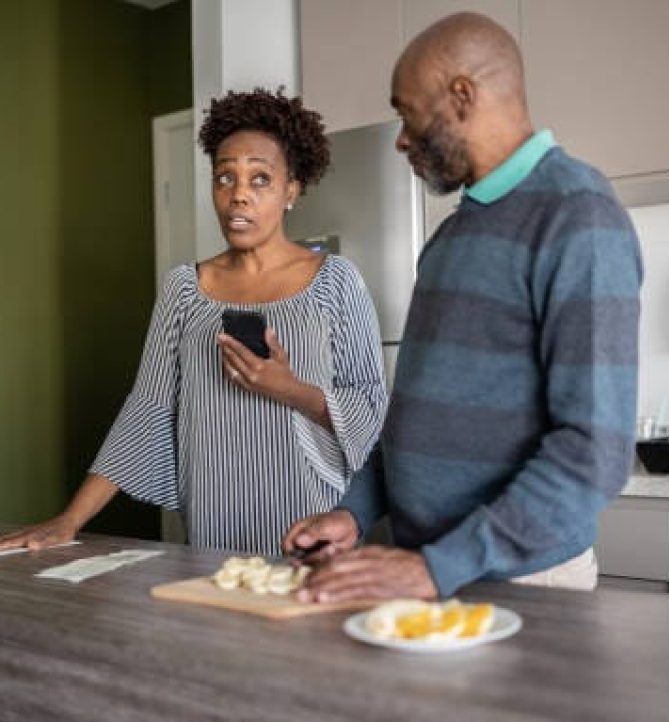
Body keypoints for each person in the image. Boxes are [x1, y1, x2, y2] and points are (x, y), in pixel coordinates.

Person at [284, 12, 642, 601]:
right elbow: (413, 419)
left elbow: (593, 453)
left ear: (462, 96)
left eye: (406, 113)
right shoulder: (451, 238)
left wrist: (434, 568)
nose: (400, 138)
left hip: (523, 578)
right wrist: (353, 513)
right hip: (429, 570)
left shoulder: (579, 217)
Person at [0, 88, 387, 556]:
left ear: (292, 188)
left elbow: (371, 410)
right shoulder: (184, 288)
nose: (239, 194)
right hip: (211, 517)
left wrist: (289, 389)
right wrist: (69, 519)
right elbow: (146, 410)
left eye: (260, 179)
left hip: (312, 522)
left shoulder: (335, 282)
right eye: (225, 177)